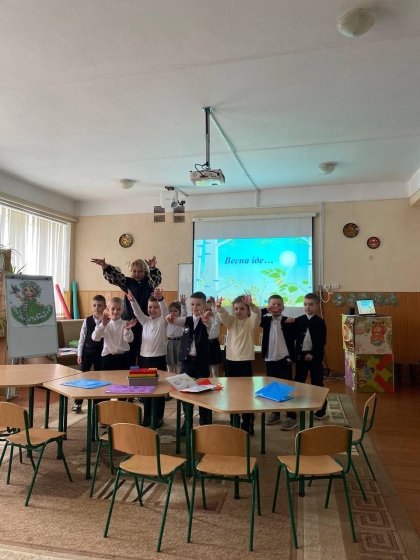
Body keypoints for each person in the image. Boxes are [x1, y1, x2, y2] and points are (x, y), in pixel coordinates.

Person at [91, 256, 162, 365]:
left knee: (143, 350)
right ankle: (129, 371)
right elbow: (116, 277)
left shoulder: (149, 282)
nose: (137, 274)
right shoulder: (127, 282)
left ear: (145, 272)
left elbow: (156, 281)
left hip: (144, 321)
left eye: (140, 271)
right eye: (134, 271)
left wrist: (153, 268)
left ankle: (143, 372)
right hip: (128, 321)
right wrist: (105, 266)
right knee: (129, 352)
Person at [166, 291, 212, 435]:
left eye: (198, 304)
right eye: (192, 304)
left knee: (204, 392)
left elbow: (208, 324)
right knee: (185, 392)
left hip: (201, 362)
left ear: (204, 306)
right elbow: (174, 321)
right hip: (187, 361)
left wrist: (206, 319)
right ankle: (187, 423)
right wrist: (169, 318)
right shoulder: (186, 320)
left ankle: (204, 421)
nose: (195, 307)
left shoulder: (207, 320)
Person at [216, 294, 261, 435]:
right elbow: (223, 316)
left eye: (242, 308)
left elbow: (257, 314)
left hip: (245, 361)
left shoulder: (250, 323)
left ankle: (248, 424)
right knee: (231, 395)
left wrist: (252, 305)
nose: (238, 311)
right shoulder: (231, 321)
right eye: (236, 308)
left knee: (247, 395)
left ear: (248, 310)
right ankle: (234, 423)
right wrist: (219, 308)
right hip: (230, 361)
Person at [127, 287, 168, 429]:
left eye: (156, 307)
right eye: (150, 307)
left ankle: (158, 417)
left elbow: (165, 310)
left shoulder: (163, 321)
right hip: (144, 359)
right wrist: (132, 301)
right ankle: (147, 416)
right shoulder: (145, 321)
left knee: (159, 390)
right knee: (146, 390)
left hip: (158, 359)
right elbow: (137, 312)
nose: (152, 310)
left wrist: (161, 299)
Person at [260, 294, 296, 430]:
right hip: (270, 359)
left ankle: (291, 416)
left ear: (283, 307)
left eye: (279, 304)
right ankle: (275, 413)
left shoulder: (288, 321)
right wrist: (265, 310)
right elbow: (253, 315)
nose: (276, 307)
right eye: (273, 304)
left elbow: (294, 336)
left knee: (286, 388)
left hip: (284, 359)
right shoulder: (265, 320)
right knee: (273, 388)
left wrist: (291, 324)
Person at [294, 292, 328, 419]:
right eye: (305, 304)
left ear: (317, 306)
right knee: (299, 381)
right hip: (301, 357)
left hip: (315, 357)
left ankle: (321, 410)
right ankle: (296, 406)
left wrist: (312, 354)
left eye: (311, 304)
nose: (307, 307)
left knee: (317, 383)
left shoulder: (320, 322)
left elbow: (321, 341)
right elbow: (295, 340)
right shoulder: (298, 320)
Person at [72, 295, 106, 413]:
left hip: (101, 354)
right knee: (82, 377)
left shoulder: (107, 321)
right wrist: (79, 354)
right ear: (91, 307)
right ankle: (78, 402)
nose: (97, 308)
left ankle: (98, 403)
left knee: (99, 378)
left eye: (100, 305)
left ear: (105, 307)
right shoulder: (87, 321)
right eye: (94, 305)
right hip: (87, 352)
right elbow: (82, 338)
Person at [91, 297, 137, 371]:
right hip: (108, 358)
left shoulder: (126, 324)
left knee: (123, 378)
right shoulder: (104, 324)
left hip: (124, 358)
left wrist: (127, 330)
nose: (115, 312)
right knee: (108, 378)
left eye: (118, 309)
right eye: (113, 309)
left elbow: (129, 340)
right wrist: (102, 325)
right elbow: (95, 338)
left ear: (123, 310)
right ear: (108, 309)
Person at [166, 295, 188, 374]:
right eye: (171, 311)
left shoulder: (181, 320)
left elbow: (184, 314)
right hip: (169, 342)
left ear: (179, 312)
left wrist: (183, 305)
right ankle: (170, 377)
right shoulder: (167, 320)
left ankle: (179, 378)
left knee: (179, 363)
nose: (173, 313)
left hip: (179, 342)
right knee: (169, 363)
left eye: (175, 311)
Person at [206, 296, 223, 377]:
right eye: (206, 310)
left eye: (210, 309)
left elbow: (216, 313)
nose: (209, 311)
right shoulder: (203, 320)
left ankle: (216, 383)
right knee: (207, 371)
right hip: (205, 345)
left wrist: (213, 304)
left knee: (215, 371)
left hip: (214, 345)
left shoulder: (216, 318)